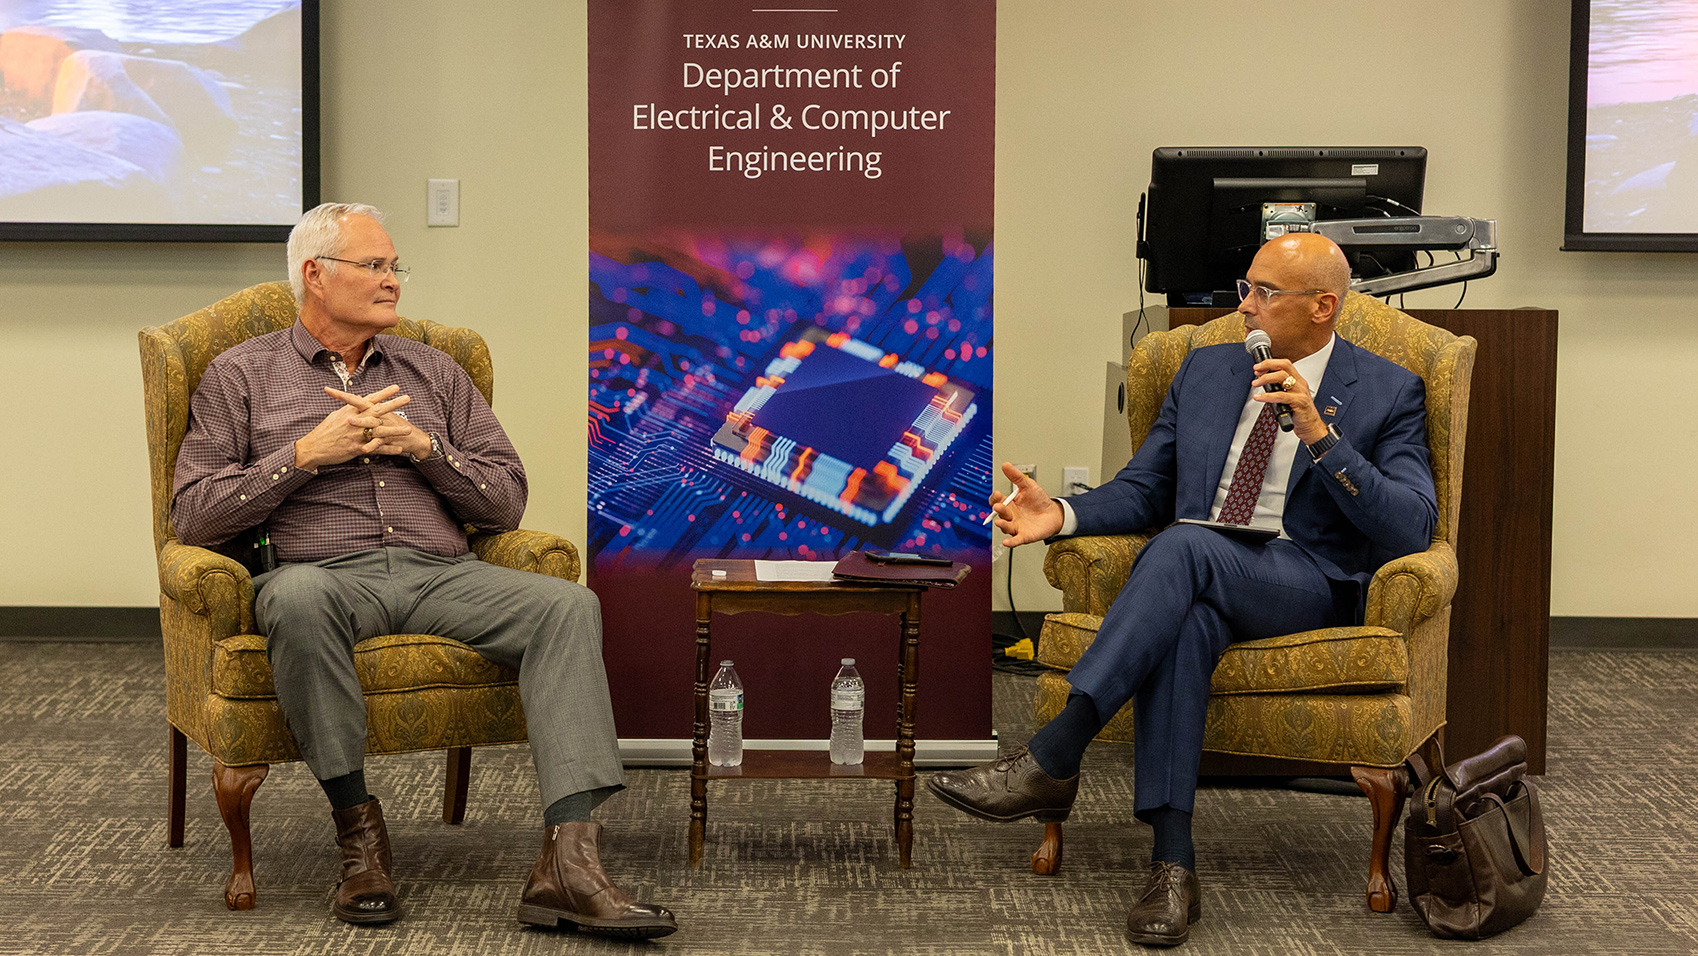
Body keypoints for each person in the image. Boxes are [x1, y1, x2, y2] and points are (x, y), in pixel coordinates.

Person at [171, 203, 676, 938]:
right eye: (373, 266)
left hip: (441, 571)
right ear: (315, 275)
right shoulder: (240, 376)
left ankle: (569, 862)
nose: (392, 282)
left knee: (567, 606)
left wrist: (423, 448)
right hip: (320, 573)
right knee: (299, 599)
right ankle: (360, 842)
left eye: (393, 266)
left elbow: (505, 500)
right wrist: (305, 454)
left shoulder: (434, 370)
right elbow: (194, 513)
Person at [928, 233, 1436, 947]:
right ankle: (1174, 868)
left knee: (1185, 544)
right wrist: (1063, 514)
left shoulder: (1387, 388)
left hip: (1305, 580)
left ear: (1324, 306)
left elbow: (1413, 527)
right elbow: (1146, 489)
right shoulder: (1206, 370)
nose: (1245, 306)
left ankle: (1056, 752)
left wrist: (1320, 433)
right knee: (1188, 613)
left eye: (1265, 293)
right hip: (1198, 571)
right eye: (1245, 286)